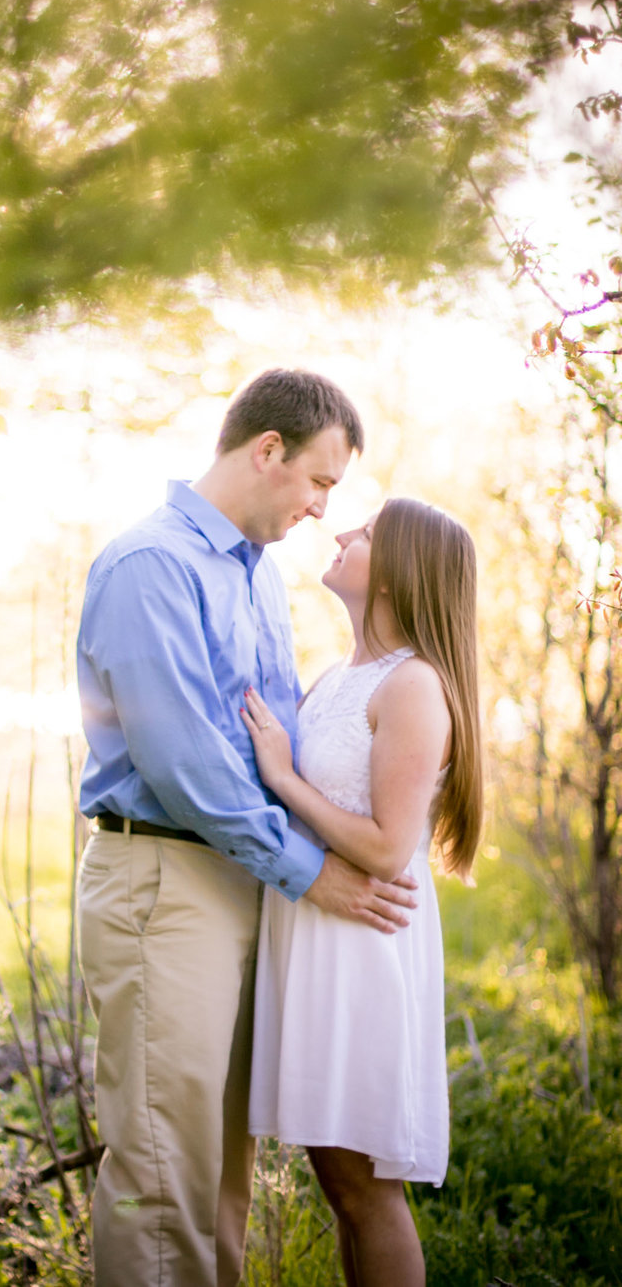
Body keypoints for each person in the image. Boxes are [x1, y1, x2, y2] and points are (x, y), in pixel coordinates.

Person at [75, 369, 418, 1287]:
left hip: (238, 883)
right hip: (165, 882)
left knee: (219, 1177)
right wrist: (314, 873)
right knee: (163, 1177)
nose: (320, 508)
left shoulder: (256, 578)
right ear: (268, 450)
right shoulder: (153, 565)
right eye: (319, 481)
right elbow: (186, 764)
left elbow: (276, 748)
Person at [242, 497, 483, 1287]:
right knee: (341, 1185)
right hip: (319, 938)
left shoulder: (412, 684)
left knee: (365, 1191)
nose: (342, 533)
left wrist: (281, 775)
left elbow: (386, 845)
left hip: (364, 945)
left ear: (400, 572)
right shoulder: (338, 678)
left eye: (367, 532)